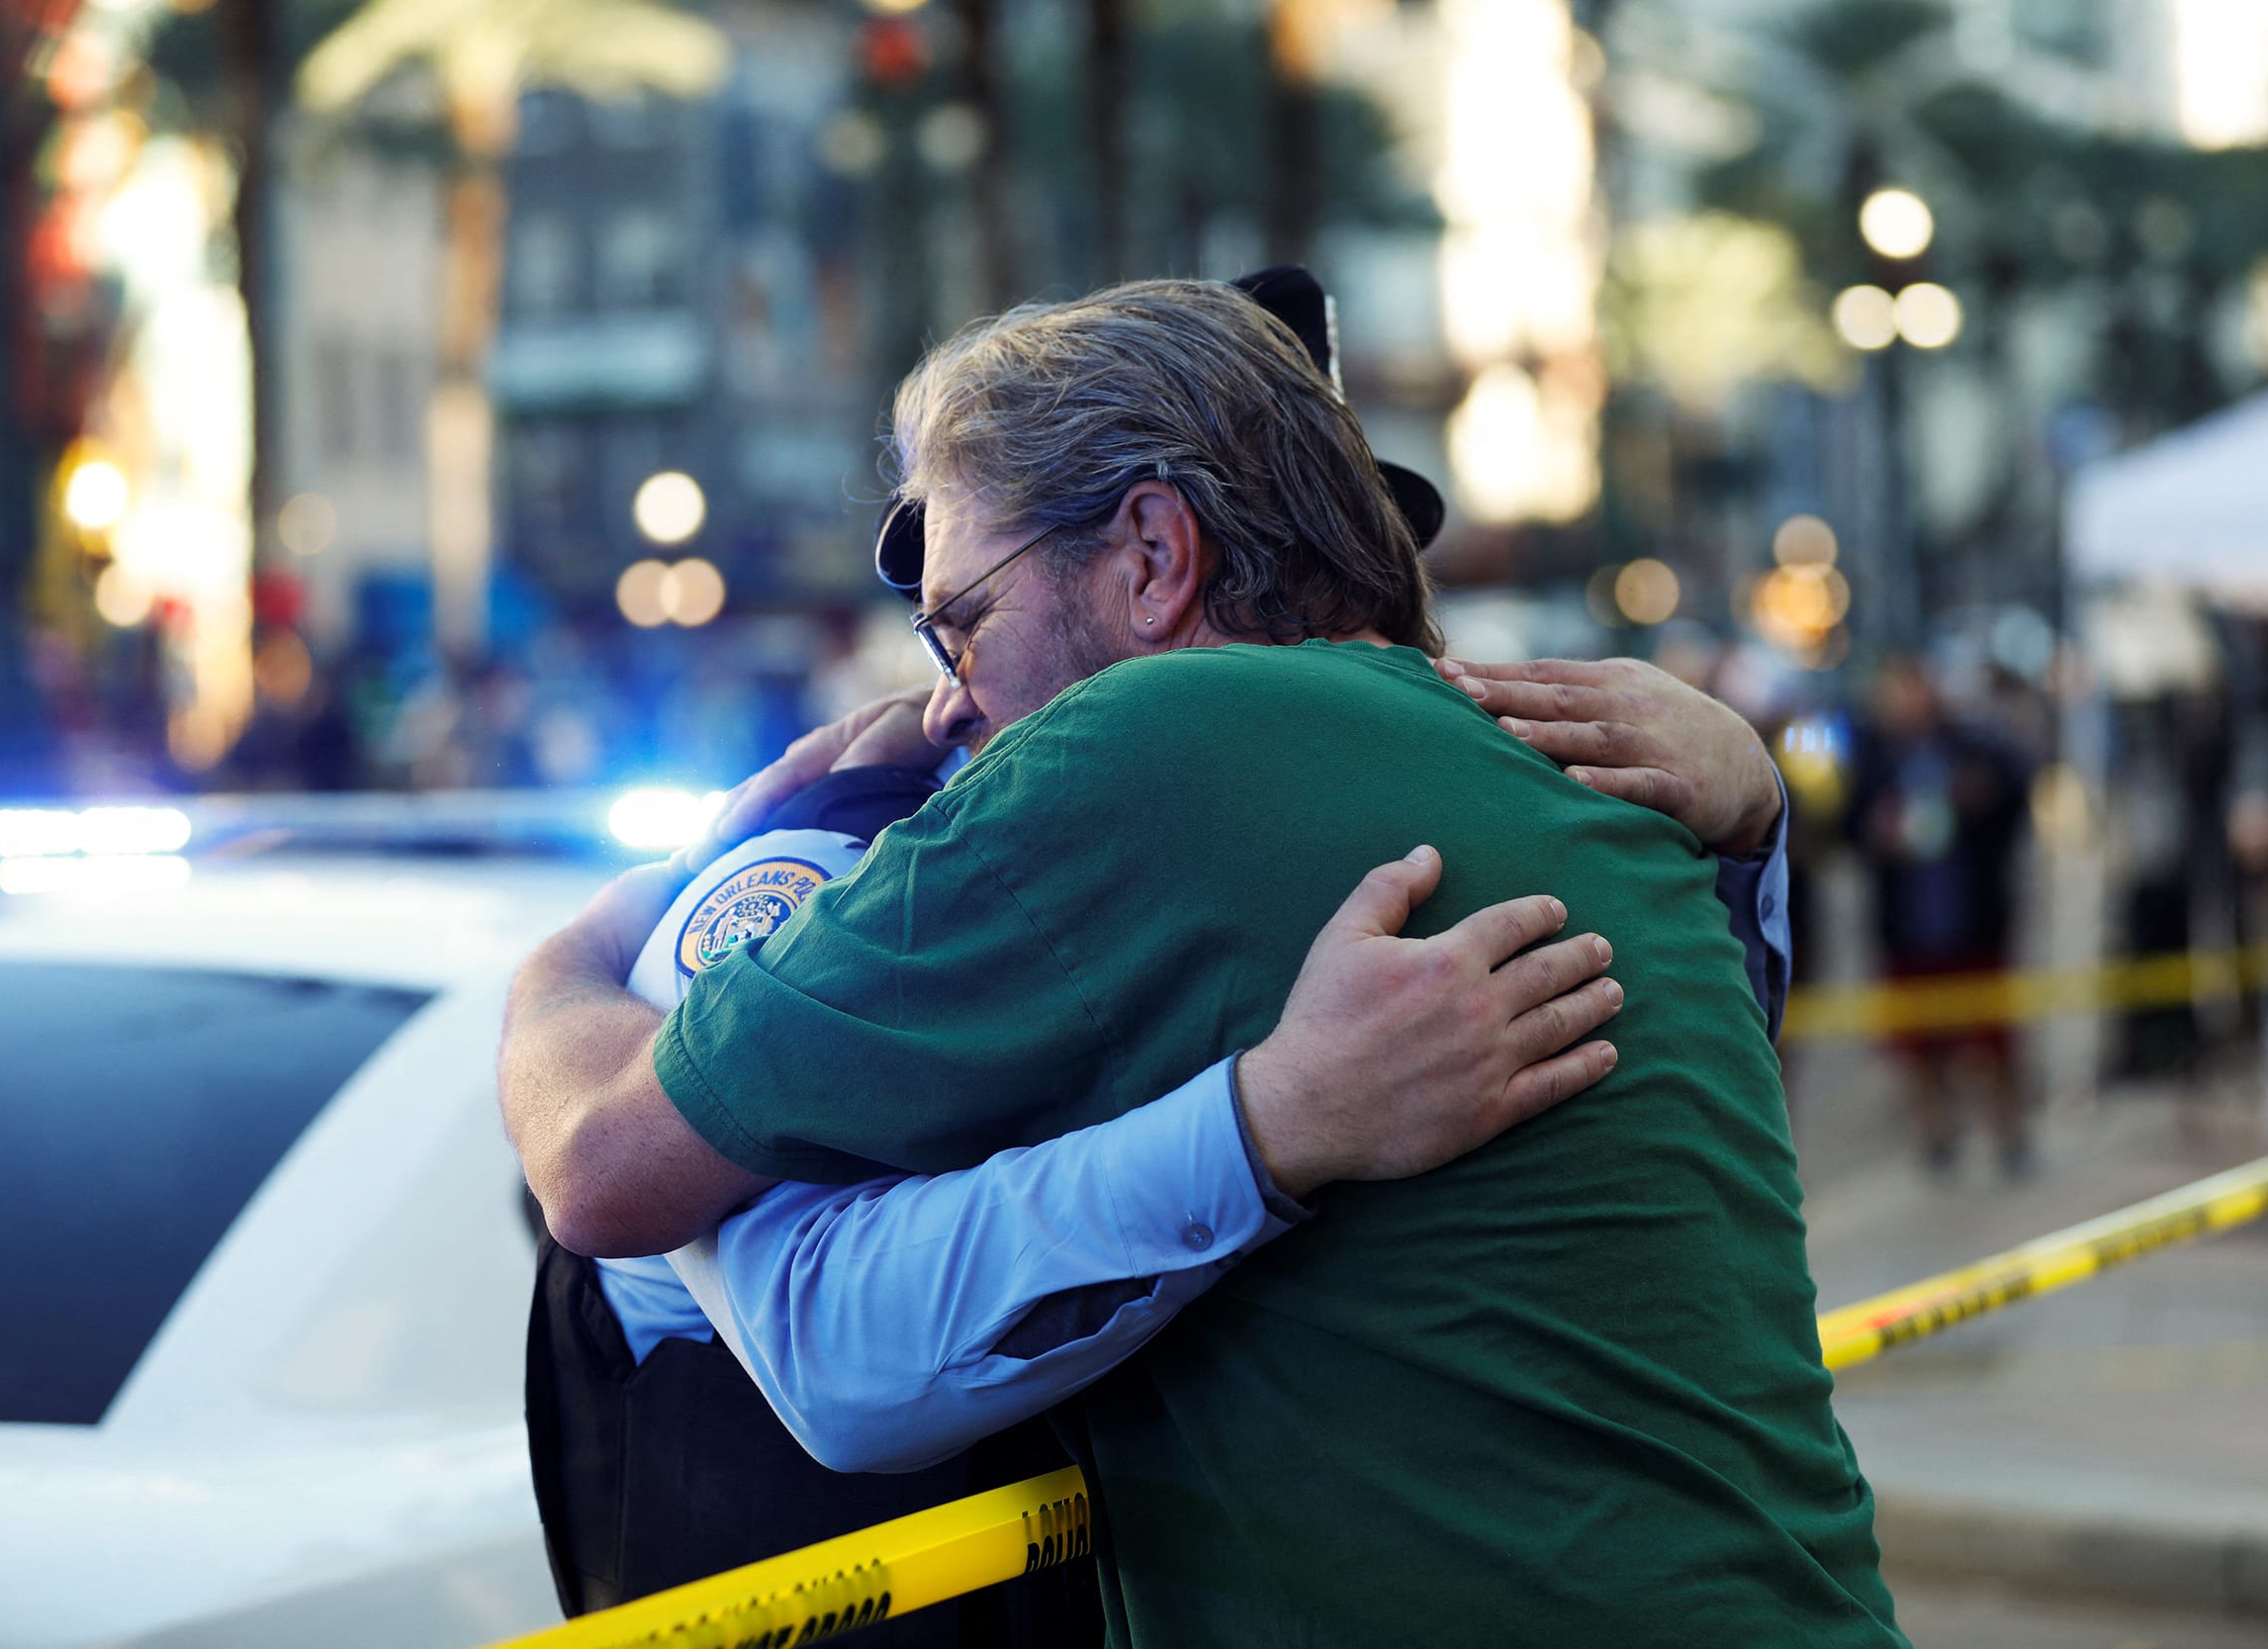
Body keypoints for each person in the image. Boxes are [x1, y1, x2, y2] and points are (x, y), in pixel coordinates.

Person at [503, 279, 1901, 1645]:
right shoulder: (1602, 773)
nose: (948, 695)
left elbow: (605, 1167)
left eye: (963, 617)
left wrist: (589, 943)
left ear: (1154, 557)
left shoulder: (1140, 747)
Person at [1847, 657, 2033, 1178]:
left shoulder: (1975, 748)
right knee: (1918, 1047)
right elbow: (1849, 822)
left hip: (1972, 920)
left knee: (1992, 1041)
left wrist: (1980, 796)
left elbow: (2015, 796)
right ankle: (1935, 1134)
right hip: (1908, 926)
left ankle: (2008, 1131)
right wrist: (1875, 829)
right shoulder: (1877, 756)